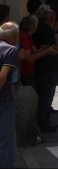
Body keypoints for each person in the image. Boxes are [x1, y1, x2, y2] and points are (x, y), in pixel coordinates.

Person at [32, 5, 58, 134]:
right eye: (52, 14)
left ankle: (45, 121)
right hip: (47, 68)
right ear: (48, 17)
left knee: (45, 96)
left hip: (43, 68)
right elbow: (52, 50)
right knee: (46, 96)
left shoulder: (42, 28)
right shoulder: (45, 29)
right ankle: (43, 123)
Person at [0, 22, 19, 167]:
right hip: (3, 98)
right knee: (6, 137)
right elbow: (2, 76)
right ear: (14, 37)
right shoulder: (10, 50)